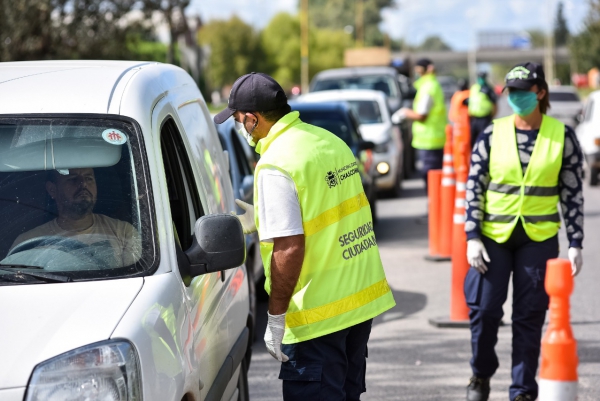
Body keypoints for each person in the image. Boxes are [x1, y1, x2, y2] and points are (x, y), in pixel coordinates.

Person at [214, 72, 395, 400]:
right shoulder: (329, 142)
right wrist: (267, 218)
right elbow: (331, 211)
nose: (241, 128)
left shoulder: (275, 164)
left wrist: (276, 315)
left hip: (318, 316)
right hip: (358, 304)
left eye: (240, 120)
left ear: (253, 120)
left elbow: (289, 247)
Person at [463, 62, 584, 401]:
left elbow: (572, 193)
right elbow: (474, 185)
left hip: (538, 238)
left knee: (529, 317)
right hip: (492, 238)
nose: (515, 97)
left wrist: (576, 241)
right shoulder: (491, 134)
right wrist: (471, 235)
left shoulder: (562, 136)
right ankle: (480, 374)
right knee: (484, 310)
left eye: (522, 91)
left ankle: (522, 391)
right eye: (510, 91)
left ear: (539, 92)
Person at [11, 168, 141, 267]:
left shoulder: (124, 233)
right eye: (72, 178)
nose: (83, 184)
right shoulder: (27, 243)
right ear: (52, 190)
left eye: (89, 178)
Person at [395, 58, 447, 192]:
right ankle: (434, 207)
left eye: (418, 69)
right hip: (432, 139)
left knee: (431, 180)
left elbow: (421, 115)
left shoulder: (429, 87)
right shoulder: (427, 85)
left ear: (426, 69)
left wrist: (405, 113)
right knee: (433, 179)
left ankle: (434, 208)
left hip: (431, 141)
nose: (416, 72)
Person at [467, 72, 498, 148]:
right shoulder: (474, 87)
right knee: (473, 141)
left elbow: (494, 104)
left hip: (485, 118)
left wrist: (492, 116)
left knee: (484, 140)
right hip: (474, 118)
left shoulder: (488, 89)